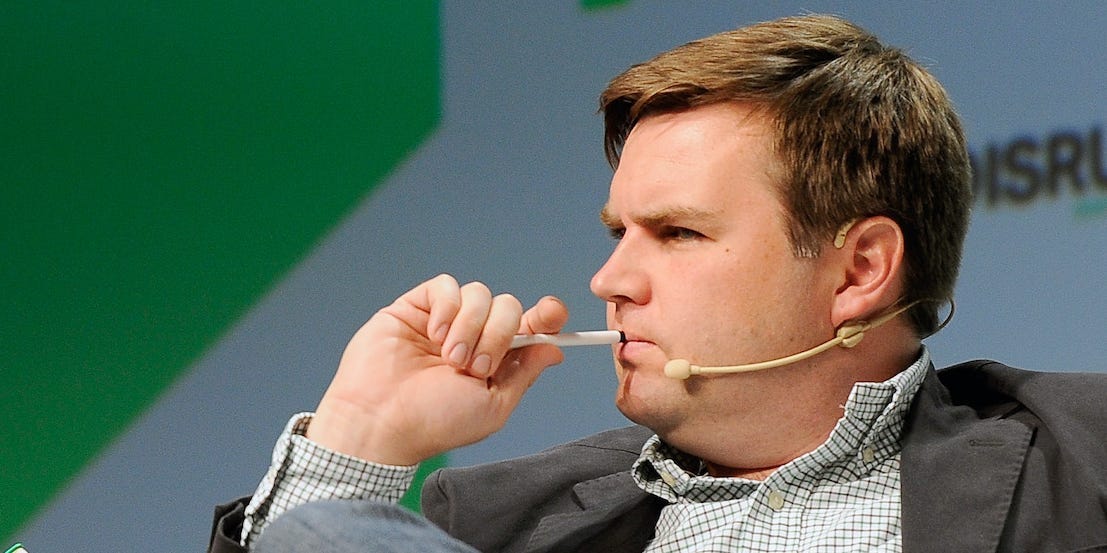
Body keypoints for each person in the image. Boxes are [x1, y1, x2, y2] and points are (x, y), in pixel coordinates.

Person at [208, 14, 1107, 553]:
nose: (608, 279)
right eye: (616, 232)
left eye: (677, 232)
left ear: (859, 270)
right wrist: (361, 437)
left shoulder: (1085, 458)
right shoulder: (488, 521)